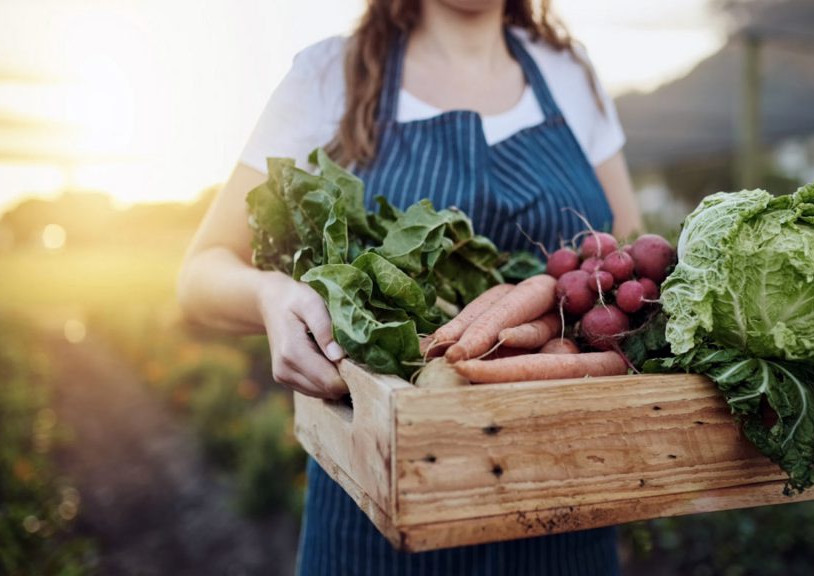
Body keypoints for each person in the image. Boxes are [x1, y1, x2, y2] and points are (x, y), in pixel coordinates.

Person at [177, 0, 643, 573]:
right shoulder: (328, 75)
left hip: (569, 496)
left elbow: (628, 254)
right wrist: (271, 295)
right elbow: (199, 272)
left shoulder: (568, 71)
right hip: (381, 512)